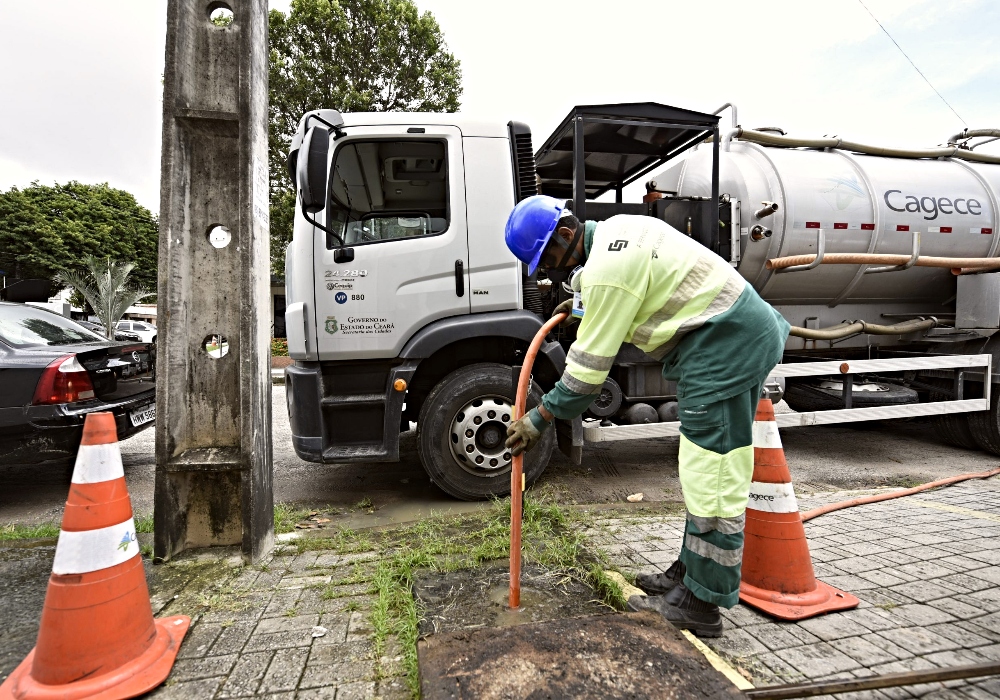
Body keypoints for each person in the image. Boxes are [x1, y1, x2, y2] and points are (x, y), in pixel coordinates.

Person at [503, 194, 790, 637]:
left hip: (725, 346)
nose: (551, 270)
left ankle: (702, 603)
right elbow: (636, 282)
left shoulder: (606, 272)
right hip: (732, 336)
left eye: (550, 258)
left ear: (566, 234)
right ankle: (687, 575)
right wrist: (578, 302)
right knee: (701, 470)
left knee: (711, 473)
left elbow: (585, 377)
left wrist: (538, 419)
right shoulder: (617, 228)